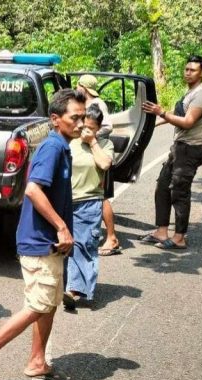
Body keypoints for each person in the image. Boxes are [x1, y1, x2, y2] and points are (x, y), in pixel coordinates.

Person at [0, 89, 85, 380]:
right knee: (37, 305)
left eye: (83, 117)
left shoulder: (62, 146)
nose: (81, 123)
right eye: (75, 118)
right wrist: (61, 227)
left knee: (49, 304)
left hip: (50, 244)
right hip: (40, 241)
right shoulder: (53, 148)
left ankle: (37, 362)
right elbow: (32, 189)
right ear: (55, 120)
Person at [142, 55, 202, 250]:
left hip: (191, 149)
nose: (188, 73)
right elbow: (175, 114)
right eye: (186, 69)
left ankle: (180, 237)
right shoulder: (189, 92)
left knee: (179, 192)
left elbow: (187, 122)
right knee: (163, 186)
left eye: (193, 70)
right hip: (179, 148)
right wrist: (147, 125)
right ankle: (161, 232)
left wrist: (161, 112)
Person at [64, 105, 114, 308]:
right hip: (67, 201)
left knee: (83, 245)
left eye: (91, 128)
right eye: (83, 126)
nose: (85, 131)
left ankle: (74, 291)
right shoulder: (70, 142)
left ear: (98, 128)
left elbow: (105, 164)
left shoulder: (104, 144)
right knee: (65, 245)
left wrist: (92, 142)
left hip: (89, 202)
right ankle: (67, 284)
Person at [76, 74, 121, 256]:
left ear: (83, 87)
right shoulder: (85, 103)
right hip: (88, 154)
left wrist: (92, 138)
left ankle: (111, 237)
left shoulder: (97, 105)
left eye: (78, 86)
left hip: (97, 153)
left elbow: (108, 126)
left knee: (101, 197)